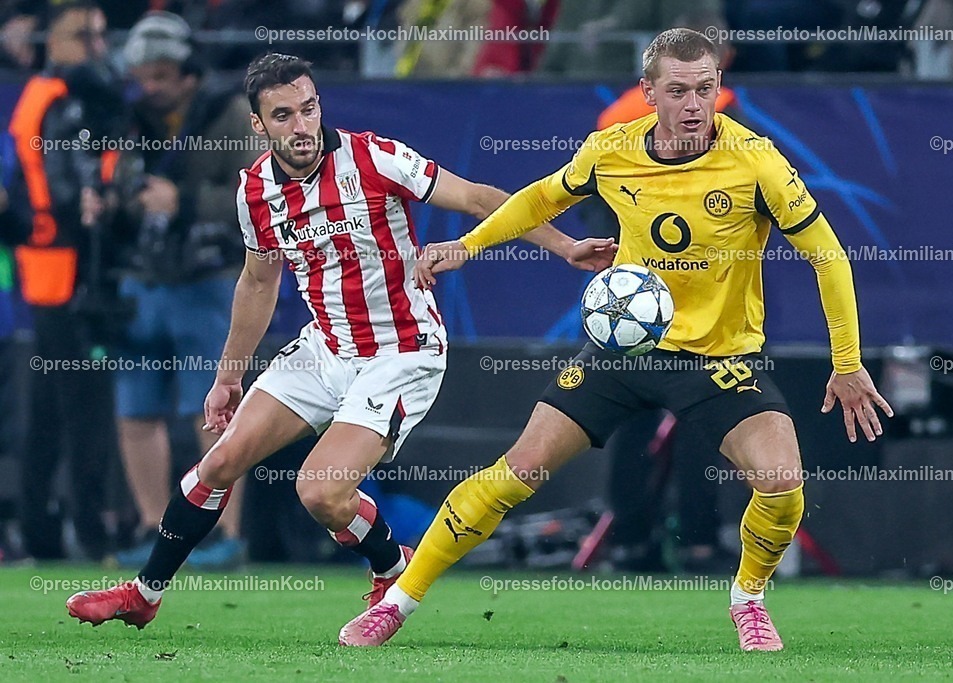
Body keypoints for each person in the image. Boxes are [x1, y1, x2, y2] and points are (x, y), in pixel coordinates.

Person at [340, 27, 894, 652]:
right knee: (516, 471)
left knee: (783, 483)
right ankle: (397, 602)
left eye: (705, 90)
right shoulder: (612, 149)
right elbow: (538, 199)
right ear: (649, 92)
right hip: (623, 350)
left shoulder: (756, 161)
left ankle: (749, 600)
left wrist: (847, 365)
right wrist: (465, 247)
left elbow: (829, 257)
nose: (693, 106)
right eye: (678, 91)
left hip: (717, 359)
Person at [66, 52, 616, 630]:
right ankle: (145, 593)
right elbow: (258, 280)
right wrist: (229, 376)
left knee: (322, 493)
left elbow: (479, 198)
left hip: (402, 352)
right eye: (283, 116)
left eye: (308, 109)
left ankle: (387, 563)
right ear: (259, 125)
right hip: (325, 349)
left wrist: (564, 247)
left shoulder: (372, 157)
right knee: (219, 463)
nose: (301, 126)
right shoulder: (254, 190)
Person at [109, 11, 260, 569]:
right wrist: (115, 202)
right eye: (144, 75)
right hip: (144, 279)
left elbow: (257, 194)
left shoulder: (228, 116)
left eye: (163, 75)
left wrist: (187, 204)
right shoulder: (130, 119)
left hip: (207, 280)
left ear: (188, 71)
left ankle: (225, 532)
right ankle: (155, 525)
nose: (151, 87)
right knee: (136, 411)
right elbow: (122, 184)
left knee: (217, 413)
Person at [12, 0, 120, 560]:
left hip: (51, 275)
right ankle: (91, 533)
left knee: (51, 410)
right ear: (49, 41)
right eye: (82, 36)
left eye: (99, 35)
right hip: (68, 277)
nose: (95, 48)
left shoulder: (49, 99)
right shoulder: (65, 102)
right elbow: (63, 192)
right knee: (82, 408)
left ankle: (40, 532)